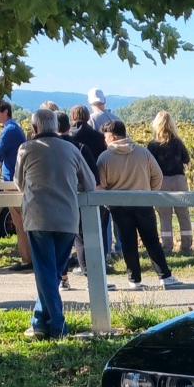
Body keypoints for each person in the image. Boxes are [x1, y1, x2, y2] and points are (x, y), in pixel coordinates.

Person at [14, 107, 95, 340]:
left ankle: (57, 326)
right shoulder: (71, 149)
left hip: (38, 217)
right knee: (52, 273)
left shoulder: (26, 149)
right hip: (67, 219)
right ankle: (39, 322)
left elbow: (19, 183)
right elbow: (89, 183)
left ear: (34, 128)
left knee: (45, 273)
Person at [96, 121, 178, 290]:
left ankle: (134, 280)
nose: (105, 140)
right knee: (152, 240)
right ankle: (165, 276)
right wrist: (149, 192)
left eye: (105, 137)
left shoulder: (104, 158)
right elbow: (157, 175)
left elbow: (101, 184)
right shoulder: (143, 152)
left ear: (112, 136)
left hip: (119, 206)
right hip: (143, 202)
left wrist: (109, 201)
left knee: (128, 243)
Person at [67, 104, 111, 274]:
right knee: (99, 226)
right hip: (96, 184)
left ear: (72, 117)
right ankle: (102, 259)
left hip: (76, 185)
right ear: (87, 117)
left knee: (79, 232)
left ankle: (84, 265)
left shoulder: (69, 138)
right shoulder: (99, 137)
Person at [0, 99, 31, 270]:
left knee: (20, 223)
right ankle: (27, 258)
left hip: (13, 181)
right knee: (20, 223)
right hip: (16, 178)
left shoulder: (9, 130)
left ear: (6, 111)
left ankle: (27, 260)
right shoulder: (13, 128)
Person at [147, 109, 194, 256]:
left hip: (161, 181)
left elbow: (149, 165)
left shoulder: (153, 145)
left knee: (164, 216)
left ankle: (167, 246)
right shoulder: (178, 142)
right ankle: (186, 246)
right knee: (183, 214)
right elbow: (186, 160)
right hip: (179, 180)